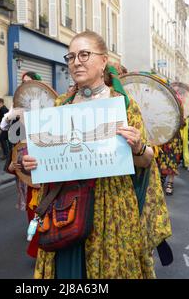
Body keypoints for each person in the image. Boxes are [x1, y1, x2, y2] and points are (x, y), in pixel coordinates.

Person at [22, 31, 171, 279]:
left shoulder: (123, 105)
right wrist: (34, 162)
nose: (76, 62)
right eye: (71, 57)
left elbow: (146, 161)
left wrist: (137, 147)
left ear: (103, 61)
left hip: (111, 207)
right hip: (66, 205)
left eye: (84, 54)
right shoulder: (60, 105)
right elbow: (49, 162)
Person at [3, 71, 43, 259]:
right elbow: (12, 137)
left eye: (30, 82)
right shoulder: (18, 110)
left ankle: (43, 251)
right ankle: (39, 251)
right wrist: (13, 165)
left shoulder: (48, 106)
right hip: (26, 166)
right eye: (23, 82)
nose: (26, 85)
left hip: (45, 163)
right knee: (32, 210)